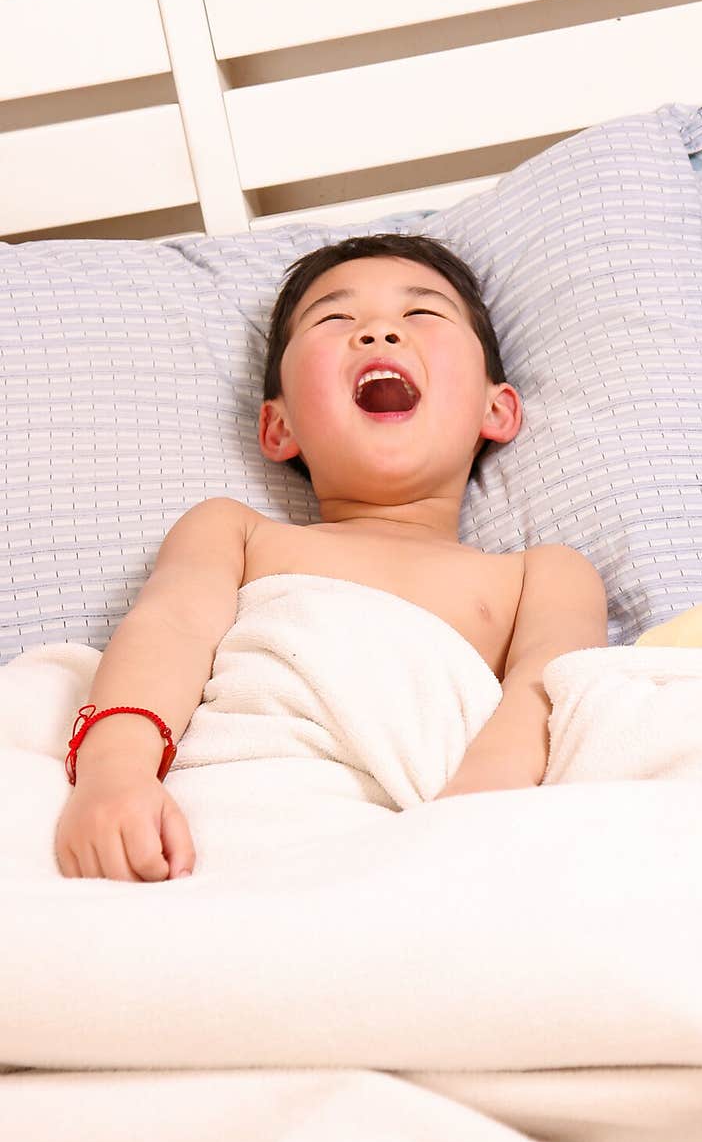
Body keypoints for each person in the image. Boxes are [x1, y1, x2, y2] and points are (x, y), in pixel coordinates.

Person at [55, 233, 607, 883]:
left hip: (443, 829)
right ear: (278, 426)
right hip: (225, 821)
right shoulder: (234, 532)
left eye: (422, 314)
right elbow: (167, 628)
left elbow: (550, 692)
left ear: (497, 408)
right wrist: (114, 774)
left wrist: (476, 813)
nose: (378, 333)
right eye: (335, 318)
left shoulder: (540, 573)